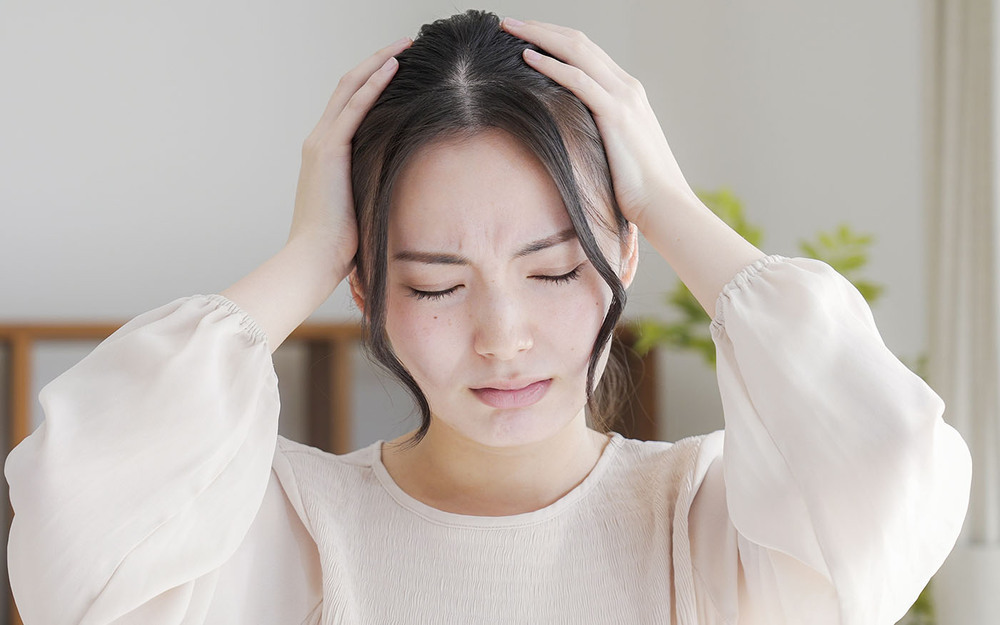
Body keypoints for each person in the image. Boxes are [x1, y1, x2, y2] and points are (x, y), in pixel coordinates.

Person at [5, 9, 971, 625]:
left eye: (554, 270)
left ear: (624, 251)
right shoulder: (283, 537)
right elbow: (74, 528)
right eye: (433, 283)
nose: (501, 334)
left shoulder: (711, 528)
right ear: (363, 282)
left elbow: (893, 464)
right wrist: (304, 252)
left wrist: (670, 202)